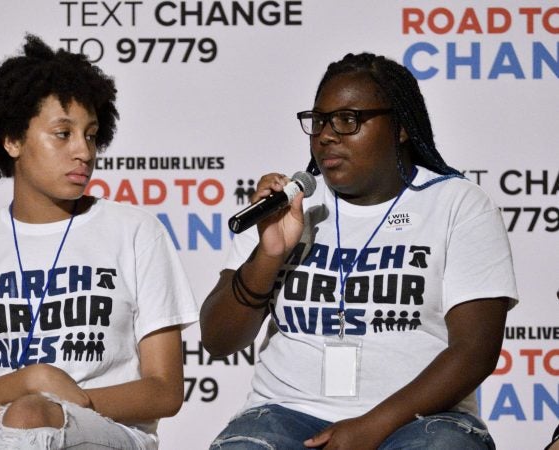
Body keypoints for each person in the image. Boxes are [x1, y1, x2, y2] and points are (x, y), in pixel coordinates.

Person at [201, 52, 518, 449]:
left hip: (422, 420)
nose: (327, 135)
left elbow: (475, 351)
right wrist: (269, 252)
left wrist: (372, 426)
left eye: (348, 120)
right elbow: (218, 339)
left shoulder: (457, 204)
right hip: (284, 413)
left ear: (400, 127)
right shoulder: (289, 206)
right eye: (318, 122)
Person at [0, 34, 198, 450]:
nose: (84, 151)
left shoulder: (135, 231)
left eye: (91, 134)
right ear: (12, 140)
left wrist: (65, 404)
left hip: (108, 433)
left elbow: (164, 391)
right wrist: (34, 380)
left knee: (32, 413)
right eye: (62, 134)